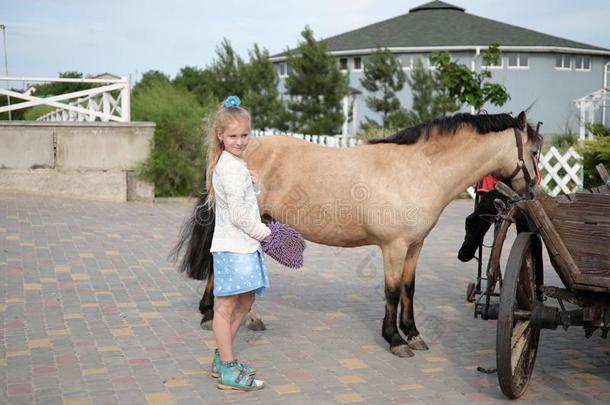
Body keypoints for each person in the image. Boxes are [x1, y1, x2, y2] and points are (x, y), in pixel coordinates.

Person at [206, 95, 271, 391]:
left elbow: (246, 202)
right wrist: (268, 235)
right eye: (233, 136)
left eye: (245, 135)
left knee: (245, 300)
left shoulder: (236, 164)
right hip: (233, 247)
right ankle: (229, 370)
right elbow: (240, 216)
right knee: (225, 306)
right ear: (220, 135)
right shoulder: (230, 167)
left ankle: (223, 358)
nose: (240, 141)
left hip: (243, 246)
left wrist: (254, 184)